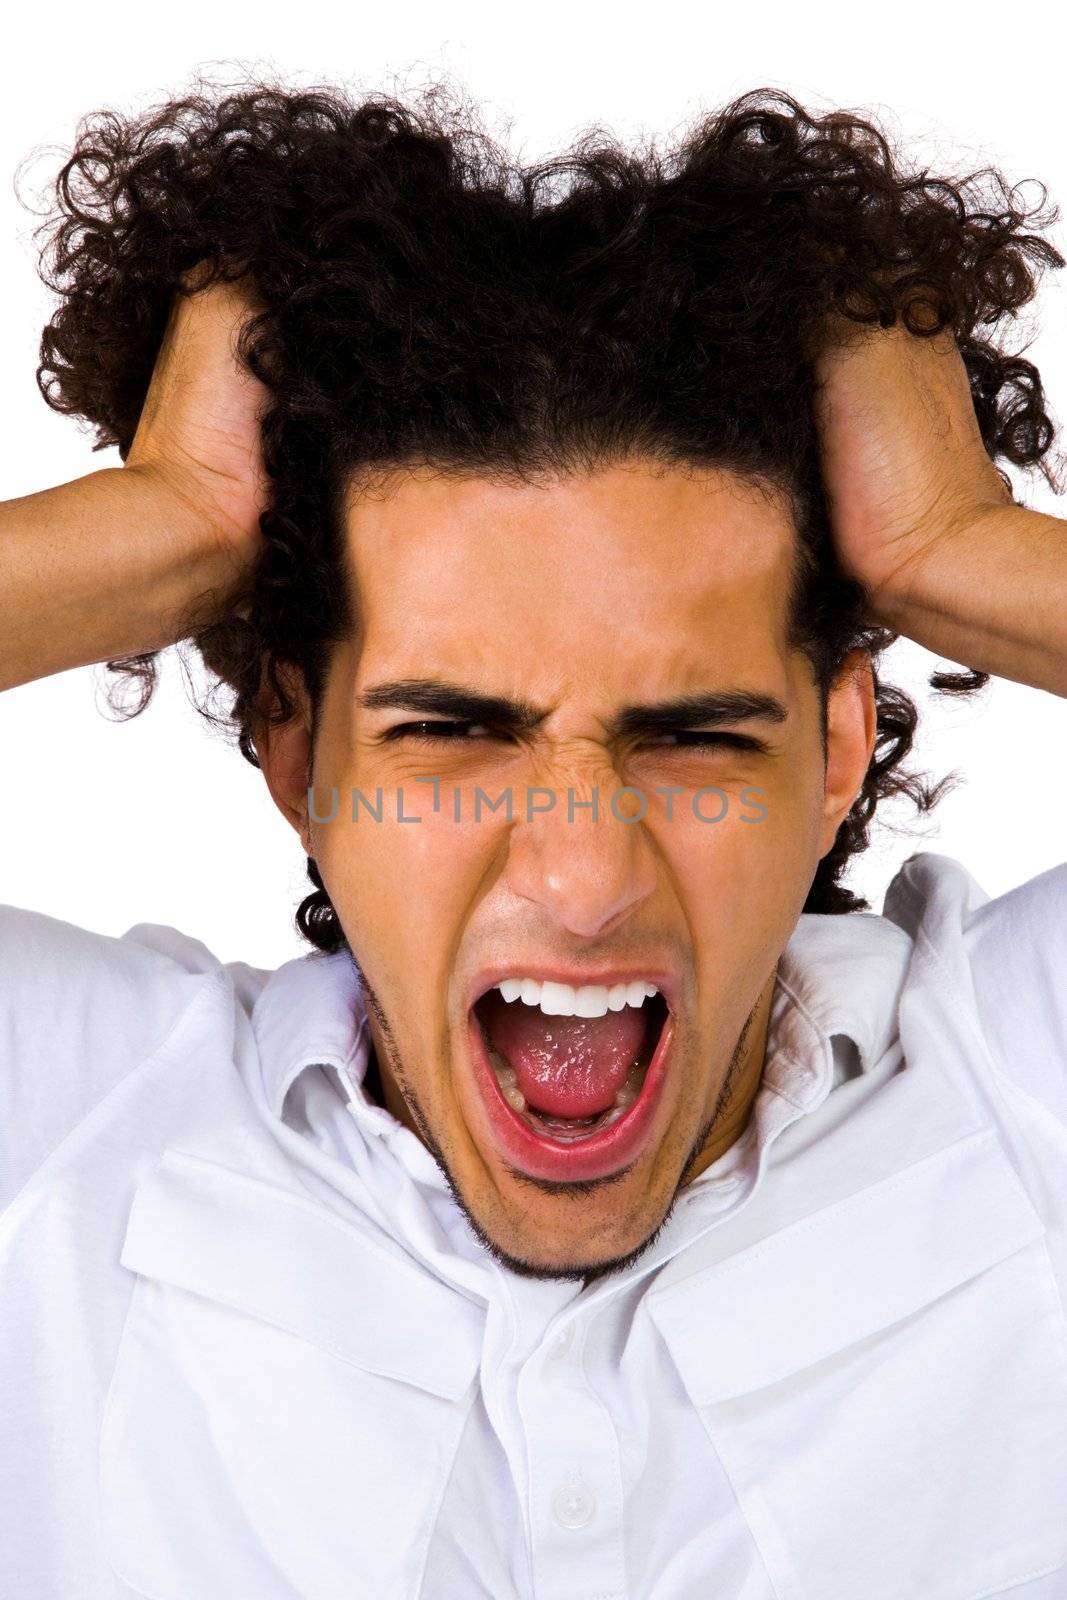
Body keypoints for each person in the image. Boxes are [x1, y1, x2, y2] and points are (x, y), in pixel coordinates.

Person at [2, 79, 1066, 1600]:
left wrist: (957, 550)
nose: (582, 882)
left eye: (695, 736)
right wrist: (159, 522)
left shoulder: (1025, 1098)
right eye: (455, 733)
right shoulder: (69, 1139)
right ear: (298, 752)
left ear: (836, 745)